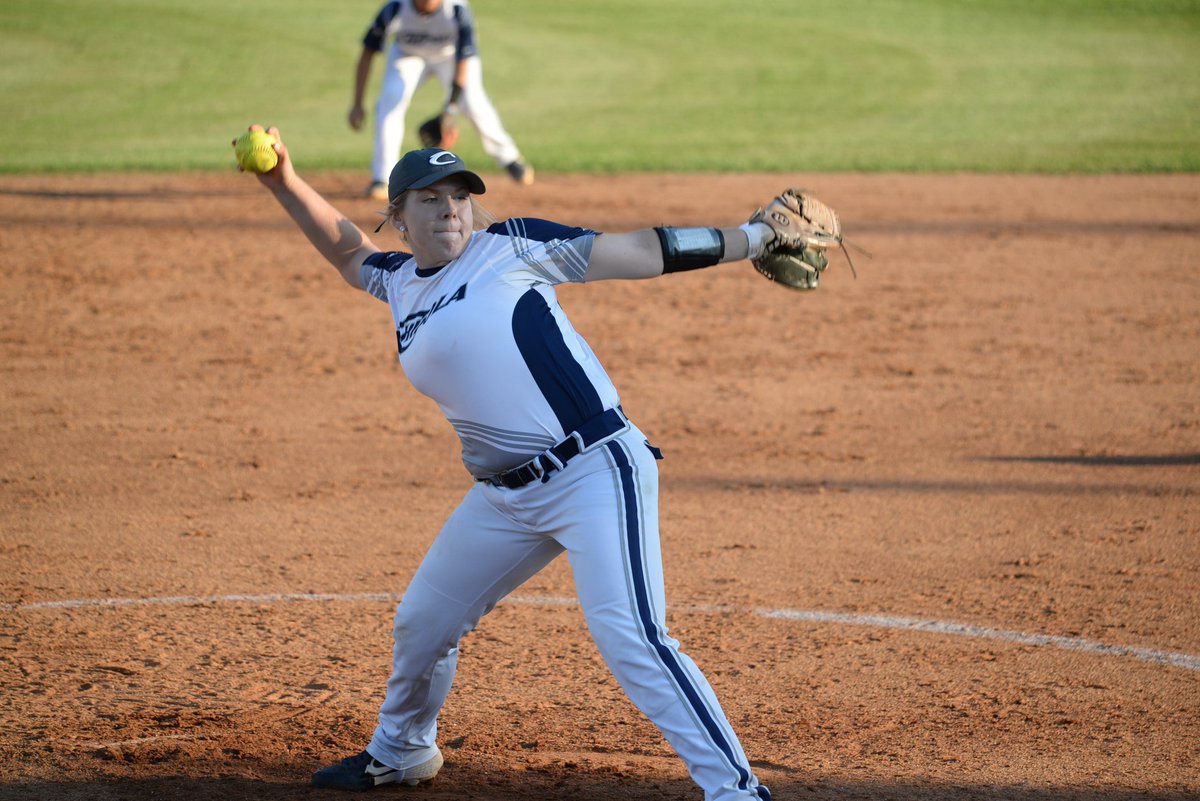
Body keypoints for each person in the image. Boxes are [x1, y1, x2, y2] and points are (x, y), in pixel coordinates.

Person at [234, 125, 796, 801]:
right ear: (400, 218)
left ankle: (737, 790)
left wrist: (753, 237)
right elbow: (346, 249)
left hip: (594, 470)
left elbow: (645, 249)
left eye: (460, 196)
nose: (450, 209)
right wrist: (283, 180)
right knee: (423, 622)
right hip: (504, 497)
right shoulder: (399, 282)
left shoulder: (511, 248)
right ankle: (402, 749)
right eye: (431, 199)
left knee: (633, 636)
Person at [349, 0, 534, 201]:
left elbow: (464, 60)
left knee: (473, 102)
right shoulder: (394, 9)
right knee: (390, 101)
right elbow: (367, 54)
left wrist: (450, 110)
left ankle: (510, 158)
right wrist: (357, 104)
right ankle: (382, 178)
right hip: (407, 55)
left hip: (450, 57)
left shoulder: (456, 9)